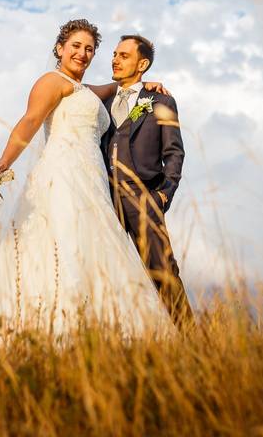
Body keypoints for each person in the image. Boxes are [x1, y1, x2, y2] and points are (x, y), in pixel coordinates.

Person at [0, 19, 174, 348]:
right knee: (62, 246)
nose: (83, 54)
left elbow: (113, 89)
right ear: (59, 48)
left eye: (89, 49)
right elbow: (29, 122)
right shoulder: (51, 81)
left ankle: (97, 335)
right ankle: (57, 331)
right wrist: (0, 166)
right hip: (62, 177)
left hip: (93, 184)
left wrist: (145, 84)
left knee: (92, 250)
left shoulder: (85, 90)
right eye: (76, 47)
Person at [101, 35, 194, 329]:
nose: (115, 59)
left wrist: (164, 195)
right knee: (105, 270)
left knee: (163, 270)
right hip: (102, 196)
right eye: (115, 54)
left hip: (145, 196)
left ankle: (193, 340)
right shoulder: (100, 100)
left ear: (142, 64)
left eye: (124, 55)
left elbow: (174, 151)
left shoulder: (161, 100)